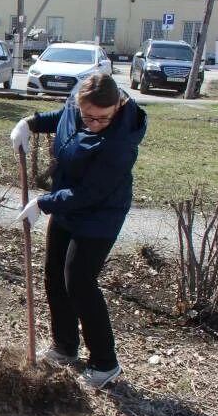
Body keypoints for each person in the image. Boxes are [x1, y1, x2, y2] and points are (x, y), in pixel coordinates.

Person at [9, 73, 147, 389]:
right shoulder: (77, 109)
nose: (95, 123)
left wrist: (44, 203)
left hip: (100, 215)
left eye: (103, 118)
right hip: (66, 205)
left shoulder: (120, 144)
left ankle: (104, 363)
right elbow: (64, 119)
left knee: (80, 282)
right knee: (55, 275)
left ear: (119, 105)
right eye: (88, 116)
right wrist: (30, 123)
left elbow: (89, 194)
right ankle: (65, 346)